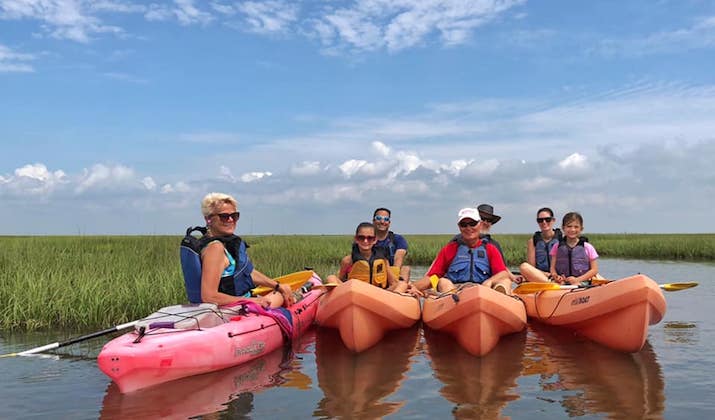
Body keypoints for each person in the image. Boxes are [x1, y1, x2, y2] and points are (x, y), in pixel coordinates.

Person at [198, 192, 294, 307]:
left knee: (281, 291)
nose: (230, 220)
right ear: (208, 219)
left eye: (234, 216)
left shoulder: (224, 243)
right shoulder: (215, 248)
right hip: (234, 310)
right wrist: (252, 301)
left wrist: (276, 285)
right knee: (281, 296)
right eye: (224, 216)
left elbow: (247, 273)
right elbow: (209, 296)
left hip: (242, 302)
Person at [412, 207, 513, 295]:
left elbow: (503, 273)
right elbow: (432, 276)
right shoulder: (450, 249)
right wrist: (413, 286)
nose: (468, 228)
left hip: (484, 290)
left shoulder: (490, 248)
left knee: (505, 281)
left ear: (480, 225)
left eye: (472, 223)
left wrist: (489, 282)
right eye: (464, 224)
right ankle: (451, 304)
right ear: (459, 227)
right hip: (456, 292)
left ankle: (501, 302)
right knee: (443, 281)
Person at [326, 222, 412, 294]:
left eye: (370, 238)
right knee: (331, 277)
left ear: (375, 240)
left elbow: (393, 283)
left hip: (380, 294)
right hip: (355, 294)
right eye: (361, 237)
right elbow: (340, 280)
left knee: (402, 284)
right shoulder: (347, 261)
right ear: (356, 239)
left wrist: (385, 293)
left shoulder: (383, 260)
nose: (365, 241)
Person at [521, 212, 599, 285]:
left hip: (582, 282)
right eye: (569, 226)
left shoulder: (588, 247)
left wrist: (578, 279)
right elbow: (552, 268)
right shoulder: (557, 246)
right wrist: (556, 276)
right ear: (563, 228)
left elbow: (594, 270)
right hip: (562, 283)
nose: (572, 230)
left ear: (581, 229)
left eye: (576, 227)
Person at [476, 203, 521, 284]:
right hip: (466, 284)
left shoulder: (494, 244)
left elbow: (502, 267)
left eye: (489, 220)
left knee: (506, 281)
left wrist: (513, 277)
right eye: (483, 218)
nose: (485, 222)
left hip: (489, 283)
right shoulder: (459, 241)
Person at [519, 207, 562, 282]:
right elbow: (532, 267)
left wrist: (556, 275)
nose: (544, 222)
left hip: (559, 276)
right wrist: (547, 275)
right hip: (541, 276)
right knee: (524, 267)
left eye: (547, 219)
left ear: (553, 220)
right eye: (540, 220)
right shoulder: (532, 241)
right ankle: (550, 283)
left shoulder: (562, 239)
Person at [372, 207, 411, 281]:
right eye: (379, 218)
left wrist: (393, 276)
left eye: (386, 219)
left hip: (392, 273)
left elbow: (398, 258)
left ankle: (399, 289)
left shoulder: (398, 239)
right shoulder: (366, 239)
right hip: (372, 273)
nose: (382, 221)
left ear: (389, 223)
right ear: (373, 221)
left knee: (406, 269)